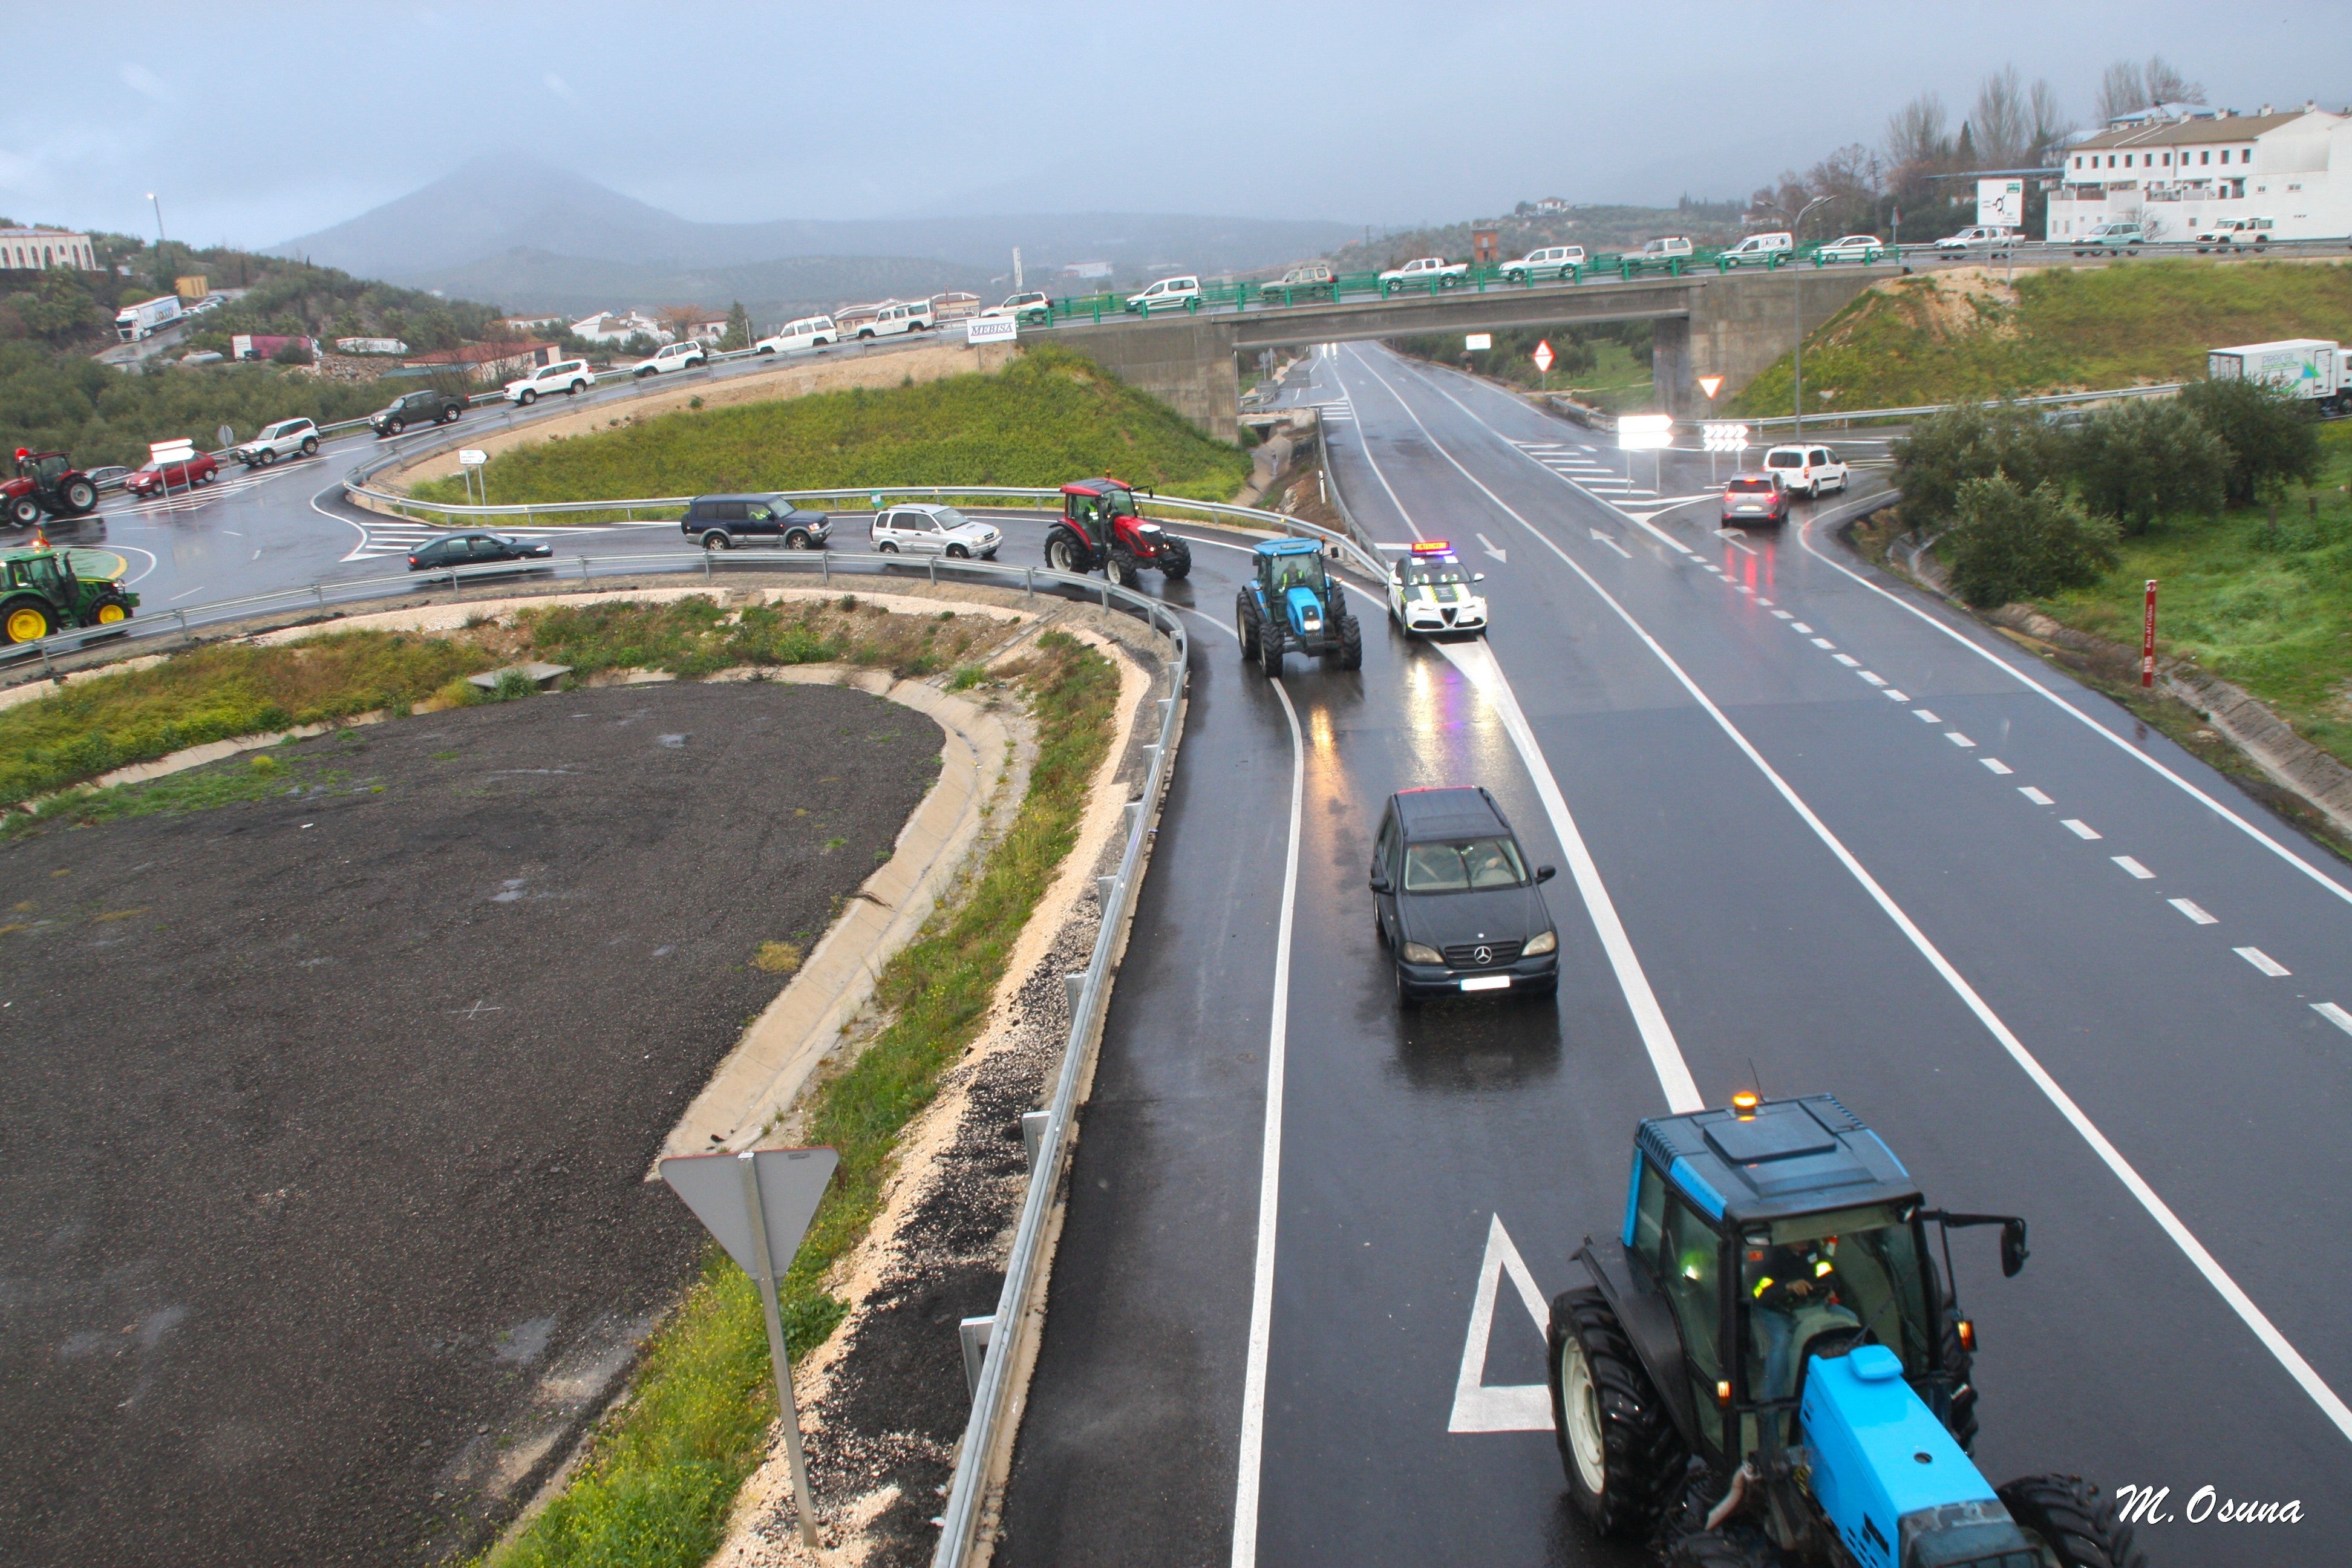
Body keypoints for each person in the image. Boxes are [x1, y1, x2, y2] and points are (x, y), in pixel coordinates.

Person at [1748, 1237, 1857, 1402]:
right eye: (1801, 1240)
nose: (1806, 1243)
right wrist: (1787, 1286)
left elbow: (1825, 1271)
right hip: (1776, 1309)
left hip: (1813, 1303)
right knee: (1783, 1340)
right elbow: (1759, 1291)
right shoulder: (1768, 1255)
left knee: (1851, 1319)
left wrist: (1831, 1287)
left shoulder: (1812, 1247)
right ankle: (1771, 1398)